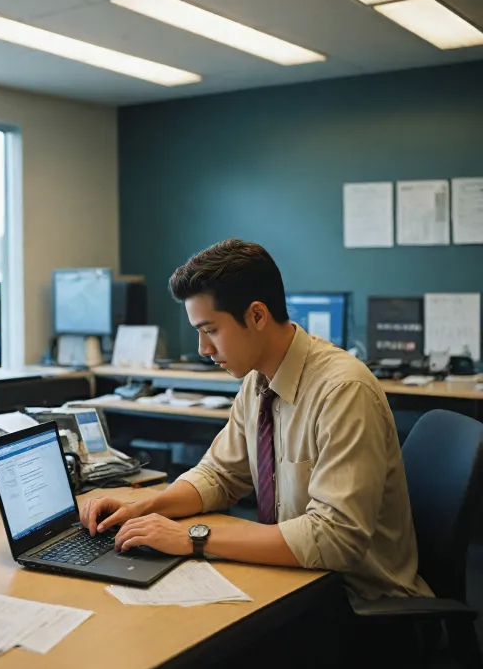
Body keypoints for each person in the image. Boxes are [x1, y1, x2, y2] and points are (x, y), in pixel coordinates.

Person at [81, 239, 431, 601]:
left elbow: (334, 539)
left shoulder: (343, 391)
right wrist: (141, 508)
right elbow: (220, 475)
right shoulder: (257, 380)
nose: (203, 349)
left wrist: (191, 538)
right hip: (295, 584)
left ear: (257, 316)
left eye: (211, 330)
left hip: (357, 603)